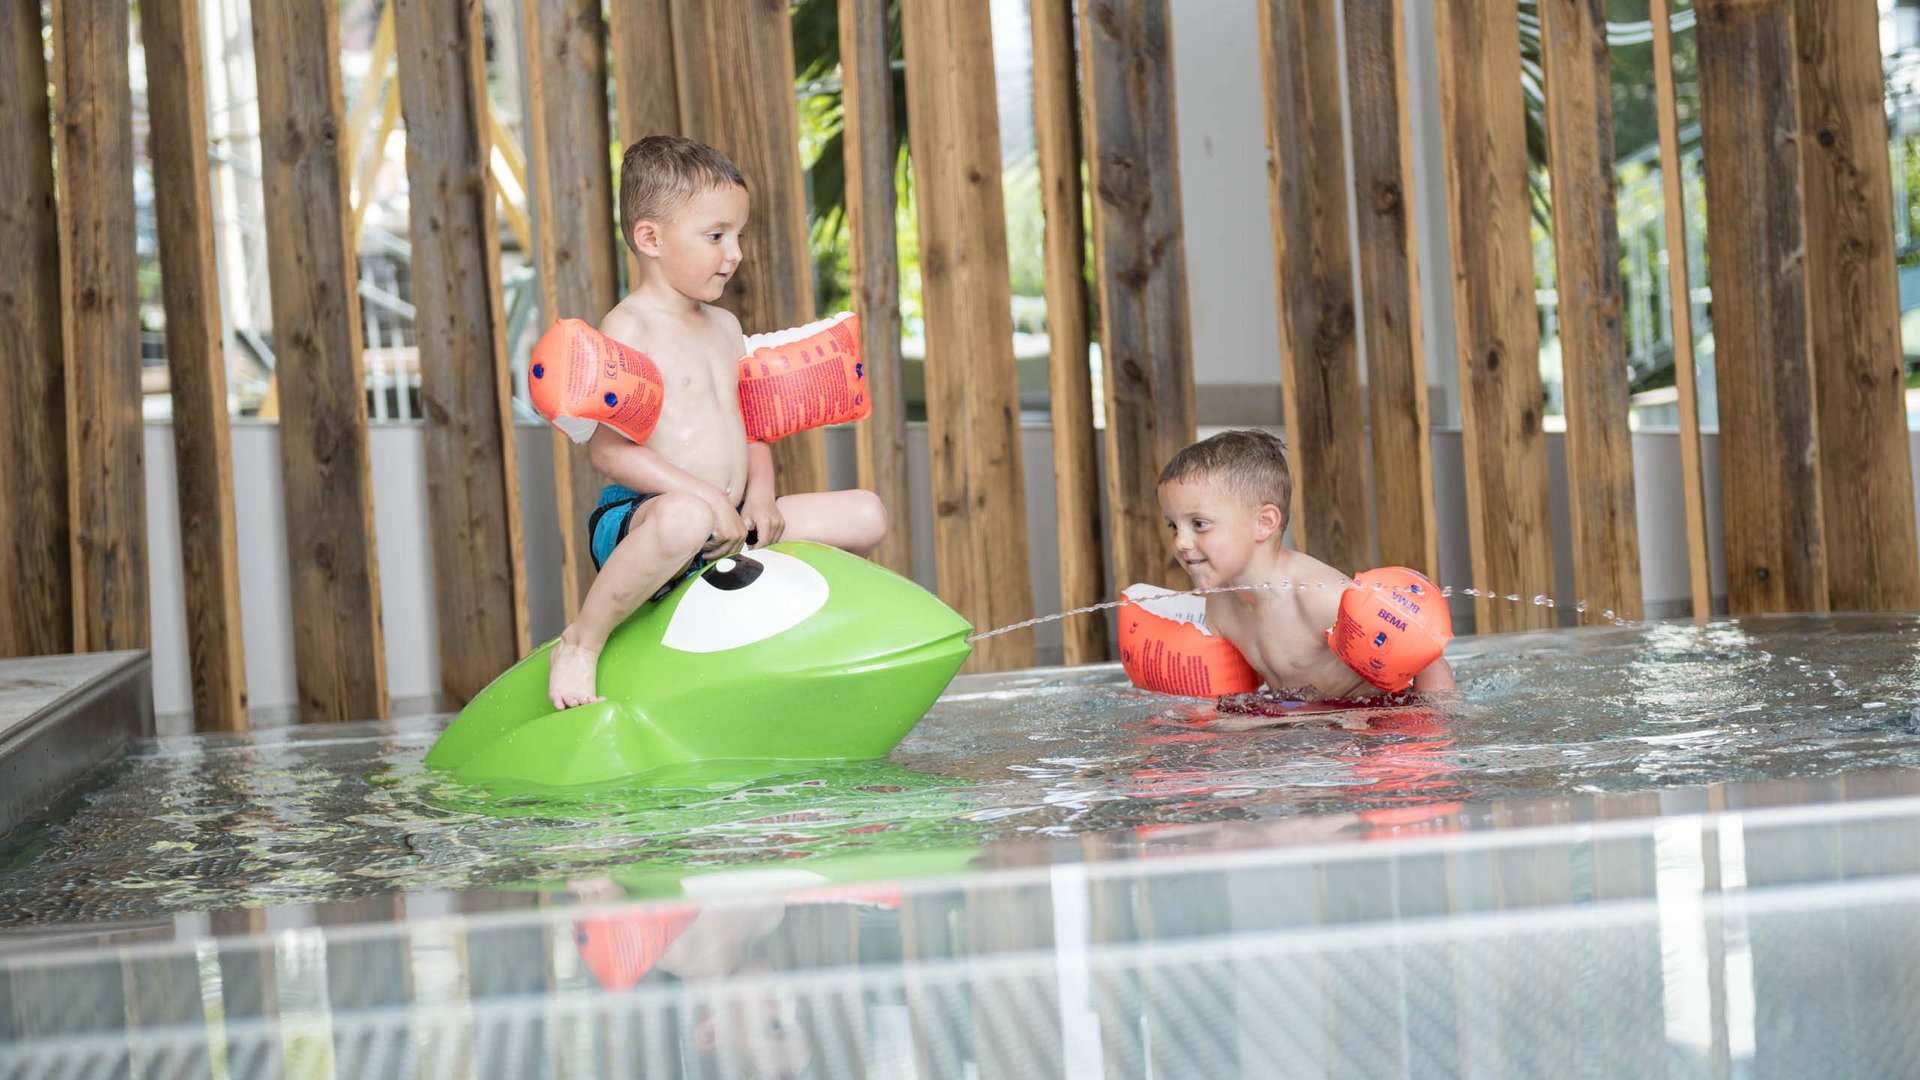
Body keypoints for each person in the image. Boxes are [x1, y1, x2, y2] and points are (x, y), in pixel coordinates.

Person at [548, 135, 888, 709]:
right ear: (651, 239)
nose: (734, 254)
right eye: (715, 237)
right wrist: (705, 498)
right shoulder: (630, 328)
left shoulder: (725, 327)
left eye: (738, 236)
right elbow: (608, 452)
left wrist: (762, 496)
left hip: (732, 522)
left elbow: (750, 424)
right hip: (648, 520)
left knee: (866, 514)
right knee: (684, 518)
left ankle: (790, 629)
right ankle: (582, 643)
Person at [1157, 429, 1455, 700]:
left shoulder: (1321, 598)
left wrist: (1435, 723)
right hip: (1306, 720)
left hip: (1374, 719)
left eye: (1199, 524)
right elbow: (1232, 684)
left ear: (1264, 523)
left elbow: (1423, 654)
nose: (1180, 542)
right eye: (1173, 526)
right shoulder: (1220, 605)